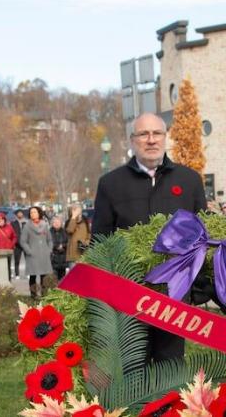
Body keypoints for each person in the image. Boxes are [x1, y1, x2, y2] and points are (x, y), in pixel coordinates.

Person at [92, 112, 206, 362]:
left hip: (175, 299)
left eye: (157, 133)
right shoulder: (111, 184)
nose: (151, 140)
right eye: (143, 134)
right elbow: (99, 245)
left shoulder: (189, 181)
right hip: (129, 299)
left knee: (171, 372)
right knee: (133, 372)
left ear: (166, 138)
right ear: (133, 140)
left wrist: (197, 292)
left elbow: (205, 240)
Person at [21, 206, 53, 299]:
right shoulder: (27, 227)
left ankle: (44, 295)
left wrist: (49, 250)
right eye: (31, 213)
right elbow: (23, 241)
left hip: (44, 255)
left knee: (44, 276)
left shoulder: (45, 225)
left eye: (34, 212)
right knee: (33, 276)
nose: (33, 214)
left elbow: (50, 240)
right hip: (32, 256)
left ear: (39, 213)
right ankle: (33, 295)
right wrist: (29, 251)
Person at [0, 212, 18, 280]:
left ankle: (8, 281)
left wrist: (12, 244)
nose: (1, 221)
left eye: (2, 219)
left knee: (8, 266)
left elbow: (14, 237)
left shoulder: (9, 227)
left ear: (5, 220)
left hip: (8, 251)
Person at [65, 203, 90, 269]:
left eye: (77, 209)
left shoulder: (85, 221)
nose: (76, 211)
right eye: (74, 210)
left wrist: (86, 242)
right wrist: (73, 217)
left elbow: (89, 234)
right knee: (74, 276)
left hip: (84, 254)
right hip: (73, 255)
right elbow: (70, 230)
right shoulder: (69, 222)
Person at [50, 215, 68, 281]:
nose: (57, 224)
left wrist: (63, 246)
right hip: (53, 258)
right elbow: (48, 243)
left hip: (63, 259)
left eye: (58, 222)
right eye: (55, 222)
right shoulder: (49, 232)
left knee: (62, 279)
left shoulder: (65, 232)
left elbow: (68, 242)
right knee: (54, 279)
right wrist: (56, 246)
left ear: (61, 223)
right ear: (52, 223)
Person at [11, 208, 28, 279]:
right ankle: (17, 274)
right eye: (18, 213)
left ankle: (27, 273)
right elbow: (12, 233)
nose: (20, 214)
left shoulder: (26, 222)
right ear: (16, 214)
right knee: (16, 260)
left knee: (28, 259)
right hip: (17, 244)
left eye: (21, 213)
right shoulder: (13, 223)